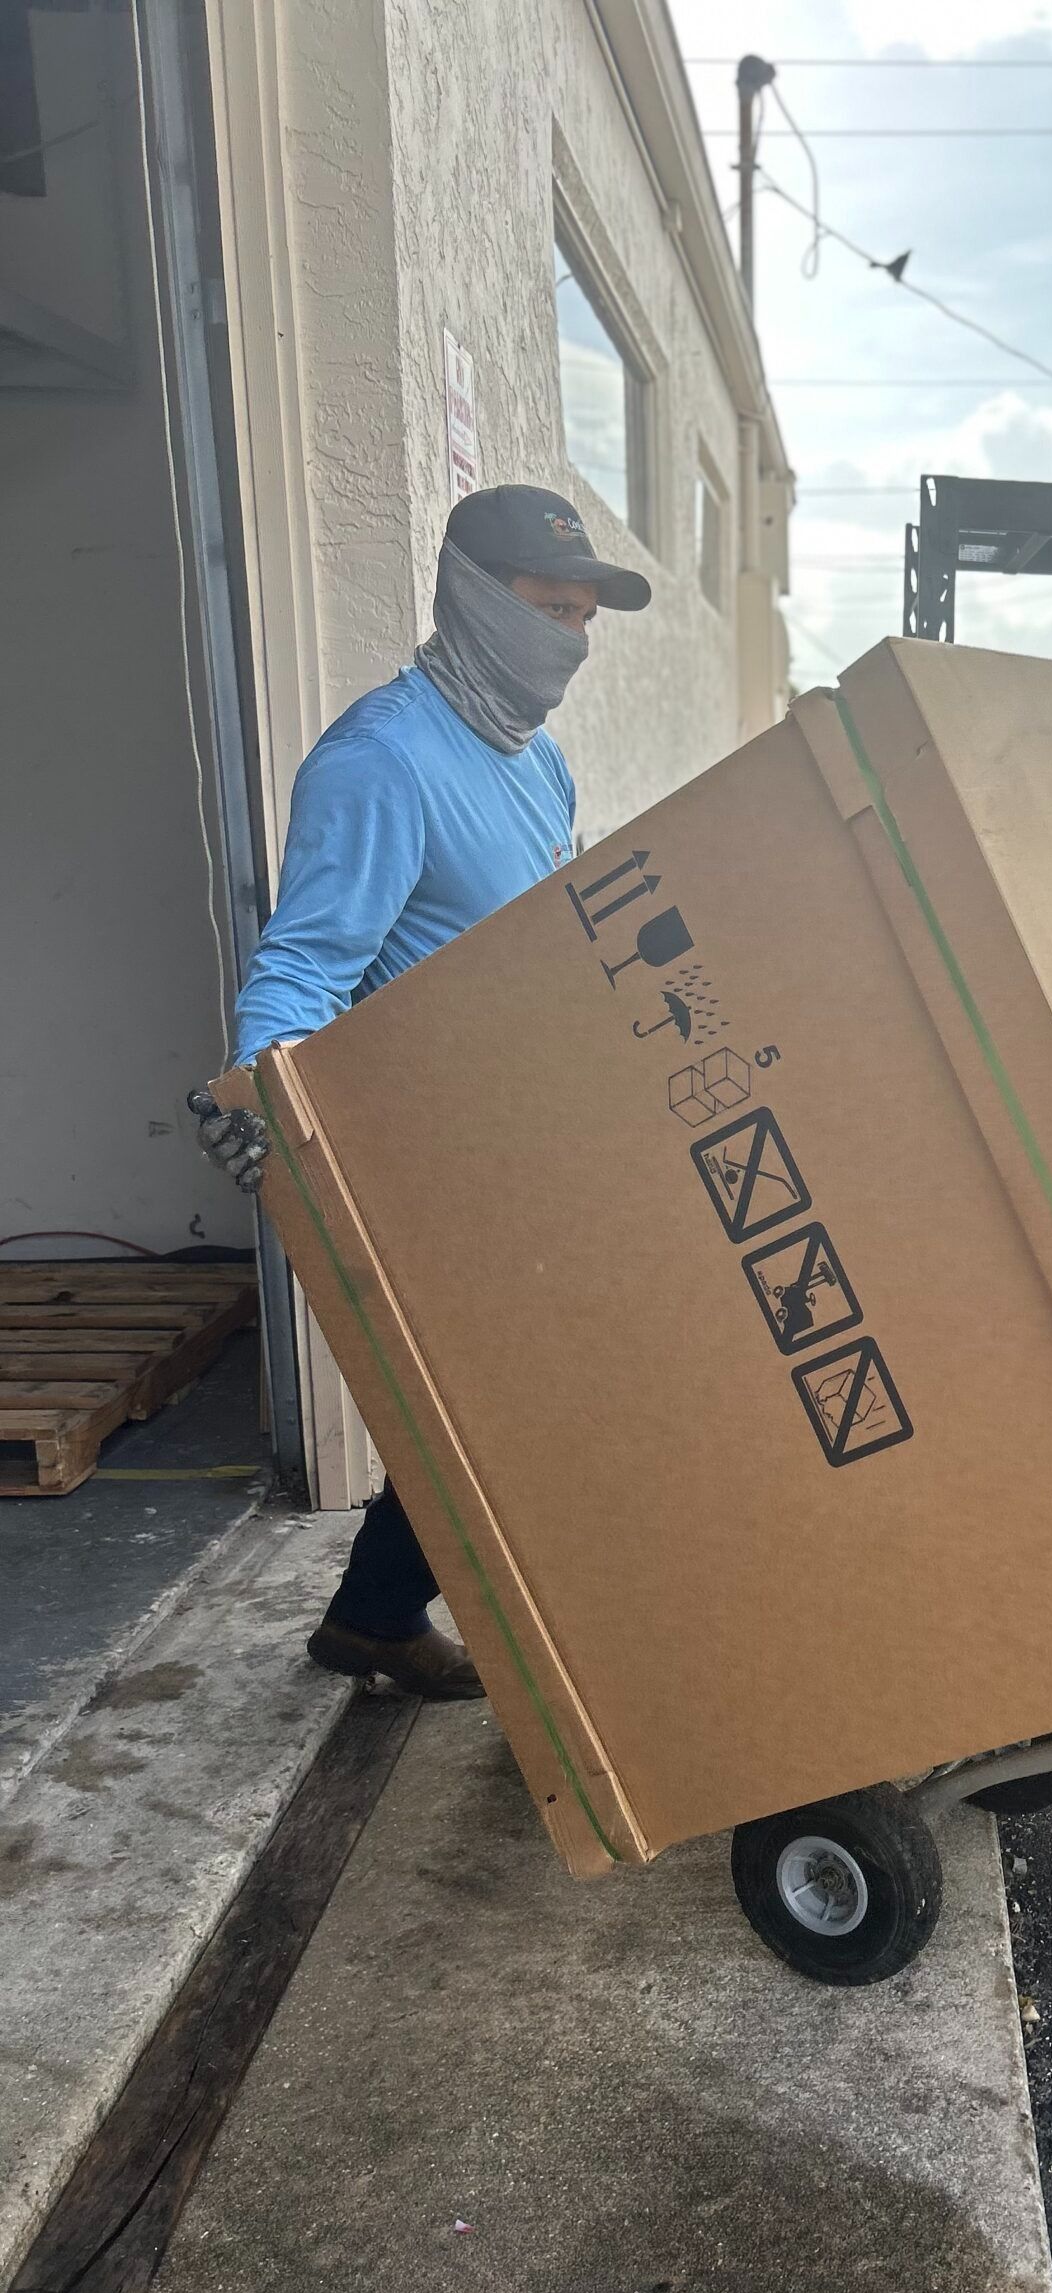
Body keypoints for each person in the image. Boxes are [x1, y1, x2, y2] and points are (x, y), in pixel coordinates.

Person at [193, 484, 651, 1700]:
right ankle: (482, 1635)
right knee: (517, 1401)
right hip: (438, 1155)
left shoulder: (536, 759)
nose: (572, 641)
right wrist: (264, 1096)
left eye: (585, 617)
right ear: (475, 598)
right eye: (551, 610)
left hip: (532, 1134)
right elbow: (306, 959)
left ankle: (374, 1615)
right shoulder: (383, 761)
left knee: (508, 1399)